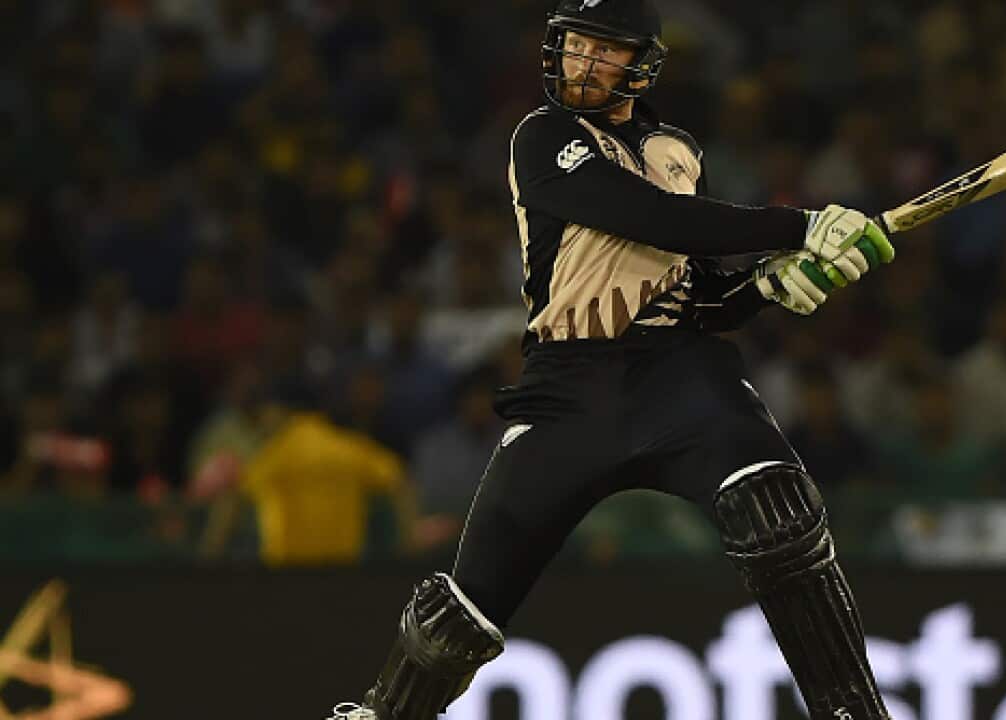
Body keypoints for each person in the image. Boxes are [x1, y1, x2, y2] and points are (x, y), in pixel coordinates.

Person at [330, 1, 897, 718]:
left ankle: (852, 711)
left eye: (606, 52)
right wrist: (801, 226)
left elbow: (695, 295)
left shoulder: (676, 151)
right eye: (575, 48)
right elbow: (649, 217)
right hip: (568, 387)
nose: (584, 65)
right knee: (462, 613)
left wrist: (767, 284)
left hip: (678, 373)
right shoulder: (542, 138)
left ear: (642, 64)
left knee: (775, 510)